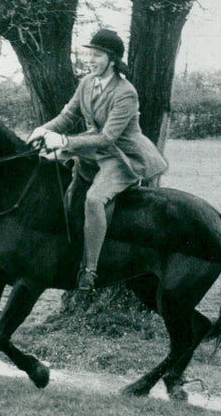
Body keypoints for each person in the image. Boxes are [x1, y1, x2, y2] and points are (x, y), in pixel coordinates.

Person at [28, 29, 167, 294]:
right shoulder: (87, 82)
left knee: (94, 200)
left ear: (112, 59)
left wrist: (65, 143)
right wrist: (43, 130)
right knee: (69, 195)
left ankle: (89, 271)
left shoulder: (126, 93)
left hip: (122, 156)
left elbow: (107, 138)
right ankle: (71, 253)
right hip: (92, 152)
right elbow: (67, 116)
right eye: (89, 54)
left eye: (97, 55)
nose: (90, 60)